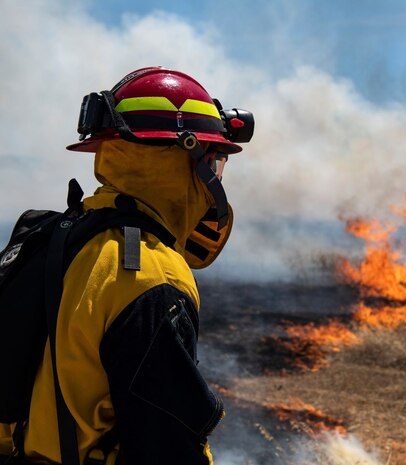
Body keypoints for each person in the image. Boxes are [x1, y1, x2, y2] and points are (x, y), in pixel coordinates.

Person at [0, 67, 253, 465]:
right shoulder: (152, 276)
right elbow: (168, 445)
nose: (215, 184)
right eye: (214, 163)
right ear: (184, 158)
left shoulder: (51, 236)